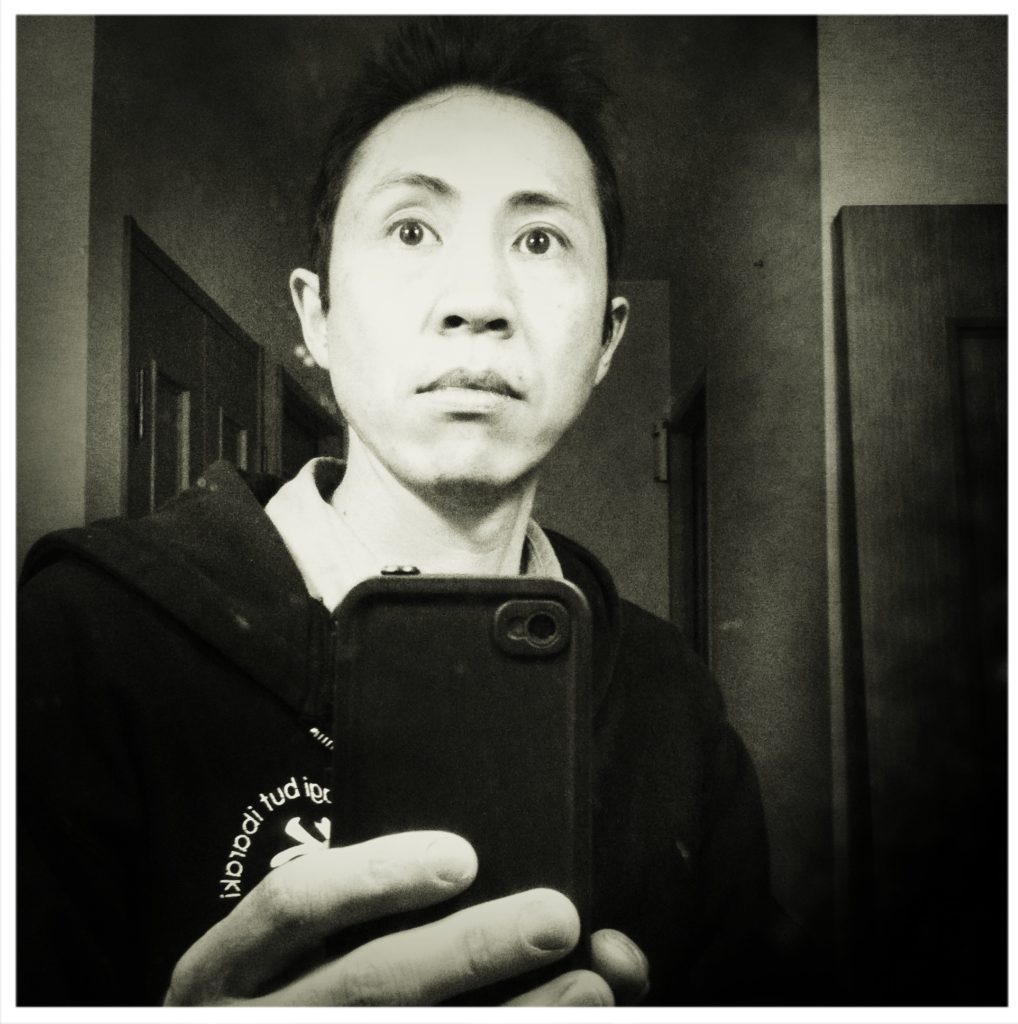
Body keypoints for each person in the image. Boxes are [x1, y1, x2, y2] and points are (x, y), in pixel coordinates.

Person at [17, 17, 787, 1007]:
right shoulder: (80, 639)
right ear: (317, 316)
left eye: (539, 239)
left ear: (605, 340)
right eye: (413, 229)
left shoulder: (674, 705)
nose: (477, 299)